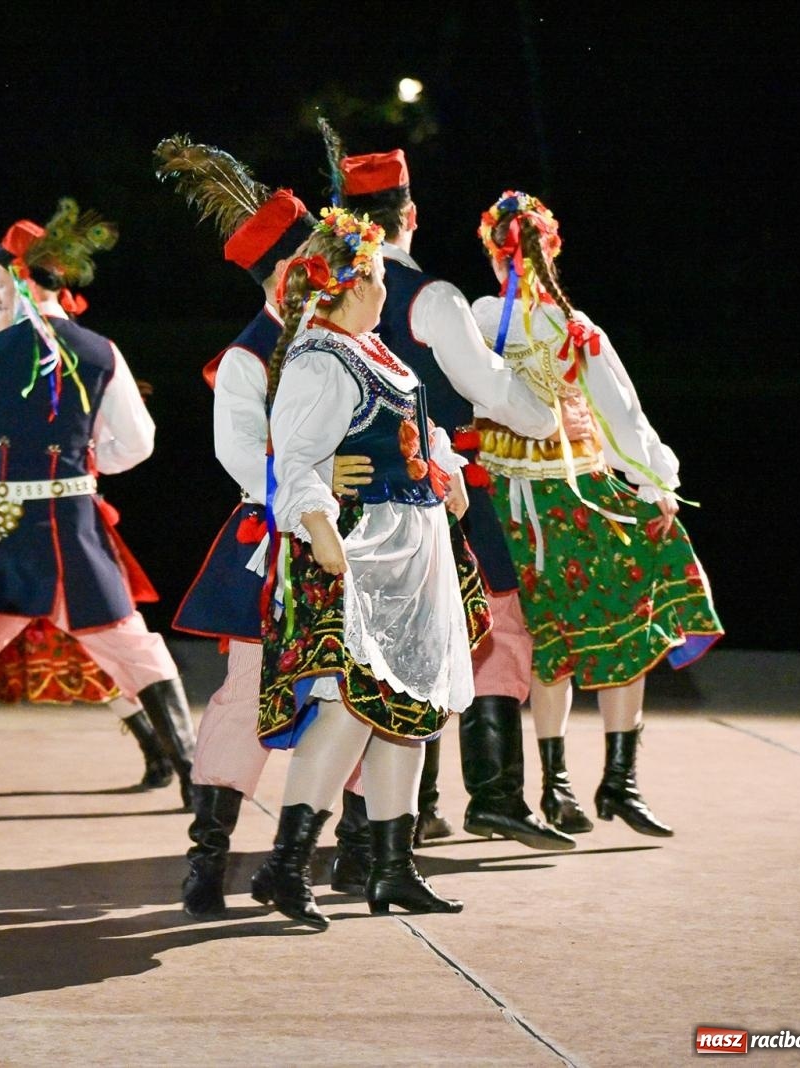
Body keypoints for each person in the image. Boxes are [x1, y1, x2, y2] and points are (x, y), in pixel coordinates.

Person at [0, 199, 200, 808]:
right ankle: (193, 777)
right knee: (130, 642)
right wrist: (83, 462)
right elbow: (137, 444)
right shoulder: (102, 352)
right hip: (74, 521)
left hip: (6, 520)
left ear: (20, 281)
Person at [335, 146, 576, 853]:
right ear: (409, 215)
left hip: (352, 498)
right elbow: (493, 387)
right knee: (497, 630)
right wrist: (543, 410)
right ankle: (495, 797)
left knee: (384, 646)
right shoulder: (431, 298)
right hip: (441, 491)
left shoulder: (319, 295)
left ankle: (386, 821)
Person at [254, 205, 481, 929]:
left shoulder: (372, 351)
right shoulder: (321, 359)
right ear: (352, 284)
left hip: (411, 553)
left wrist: (444, 470)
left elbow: (422, 428)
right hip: (366, 552)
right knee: (350, 713)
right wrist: (318, 524)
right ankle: (285, 866)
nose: (387, 289)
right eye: (380, 276)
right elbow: (292, 459)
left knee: (407, 717)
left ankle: (393, 866)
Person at [471, 190, 722, 837]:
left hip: (505, 502)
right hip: (574, 496)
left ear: (492, 252)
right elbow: (621, 416)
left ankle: (557, 786)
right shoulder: (574, 327)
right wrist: (654, 481)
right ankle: (618, 781)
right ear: (551, 248)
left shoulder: (476, 318)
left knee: (550, 638)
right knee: (628, 625)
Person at [153, 135, 326, 917]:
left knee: (353, 691)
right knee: (252, 693)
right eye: (320, 256)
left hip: (349, 539)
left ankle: (351, 852)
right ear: (288, 270)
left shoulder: (339, 339)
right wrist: (314, 498)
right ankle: (207, 863)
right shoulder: (251, 357)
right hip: (279, 544)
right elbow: (240, 458)